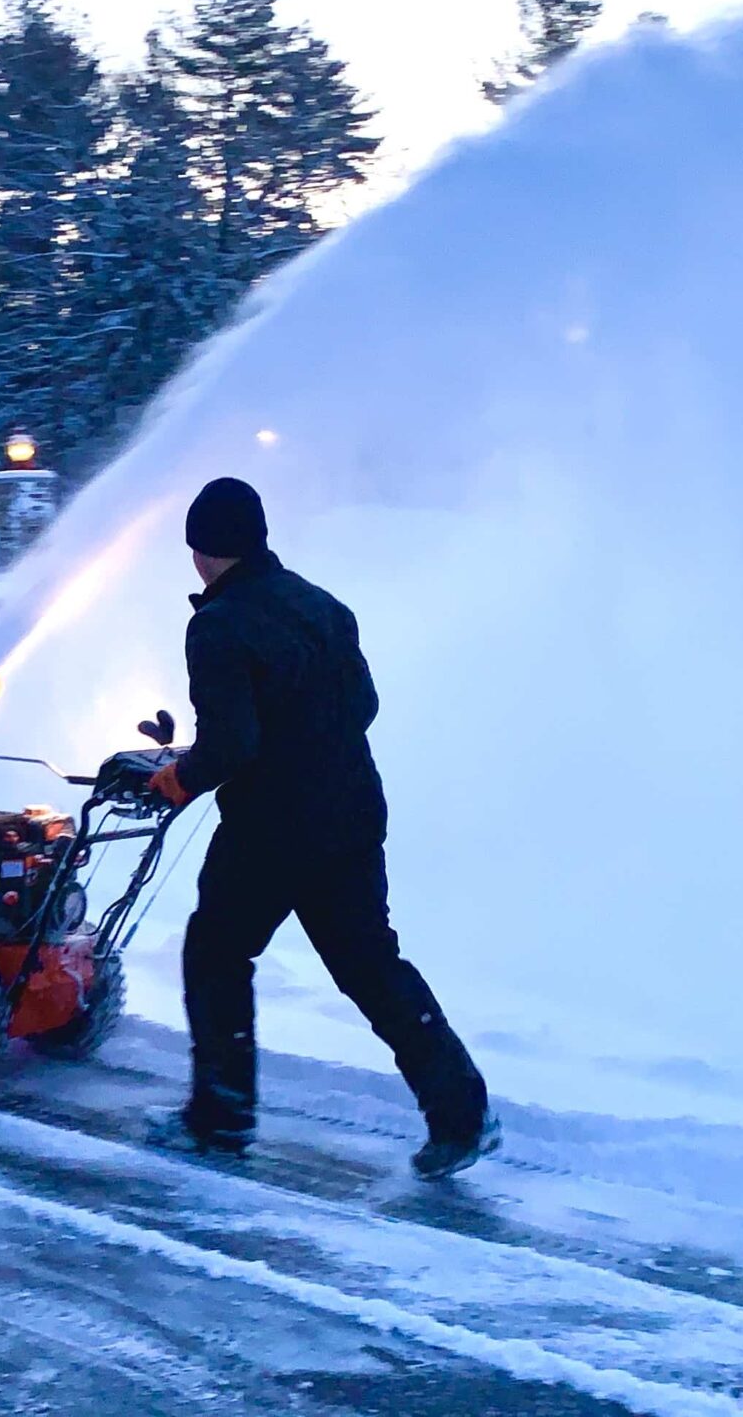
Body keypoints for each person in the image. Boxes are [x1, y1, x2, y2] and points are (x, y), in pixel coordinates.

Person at [141, 476, 499, 1179]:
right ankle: (462, 1114)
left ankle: (220, 1119)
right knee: (372, 966)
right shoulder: (323, 606)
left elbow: (234, 743)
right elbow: (363, 704)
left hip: (273, 831)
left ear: (201, 550)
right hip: (354, 814)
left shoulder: (216, 624)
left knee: (215, 952)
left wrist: (177, 778)